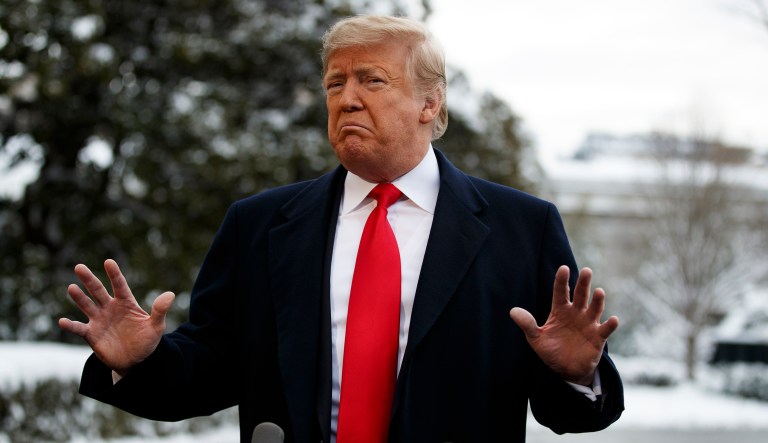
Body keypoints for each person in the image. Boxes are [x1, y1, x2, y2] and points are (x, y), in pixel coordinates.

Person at [59, 14, 624, 443]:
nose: (347, 99)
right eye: (335, 84)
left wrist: (577, 374)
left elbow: (566, 412)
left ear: (430, 102)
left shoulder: (521, 227)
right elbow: (210, 369)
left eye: (371, 80)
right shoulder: (258, 225)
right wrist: (137, 362)